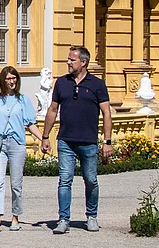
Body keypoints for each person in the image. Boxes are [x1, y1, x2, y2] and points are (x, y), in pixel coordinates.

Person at [39, 44, 114, 233]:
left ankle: (92, 216)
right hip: (66, 140)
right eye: (68, 59)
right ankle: (63, 219)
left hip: (88, 141)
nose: (68, 62)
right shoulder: (62, 83)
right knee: (65, 180)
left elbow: (106, 113)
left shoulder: (97, 84)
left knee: (91, 180)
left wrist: (107, 141)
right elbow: (52, 110)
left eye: (72, 60)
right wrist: (45, 136)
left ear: (84, 62)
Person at [0, 68, 36, 229]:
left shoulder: (23, 100)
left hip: (16, 143)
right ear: (3, 80)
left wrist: (43, 138)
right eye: (8, 78)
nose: (12, 81)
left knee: (16, 184)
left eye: (14, 78)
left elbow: (30, 123)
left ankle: (15, 217)